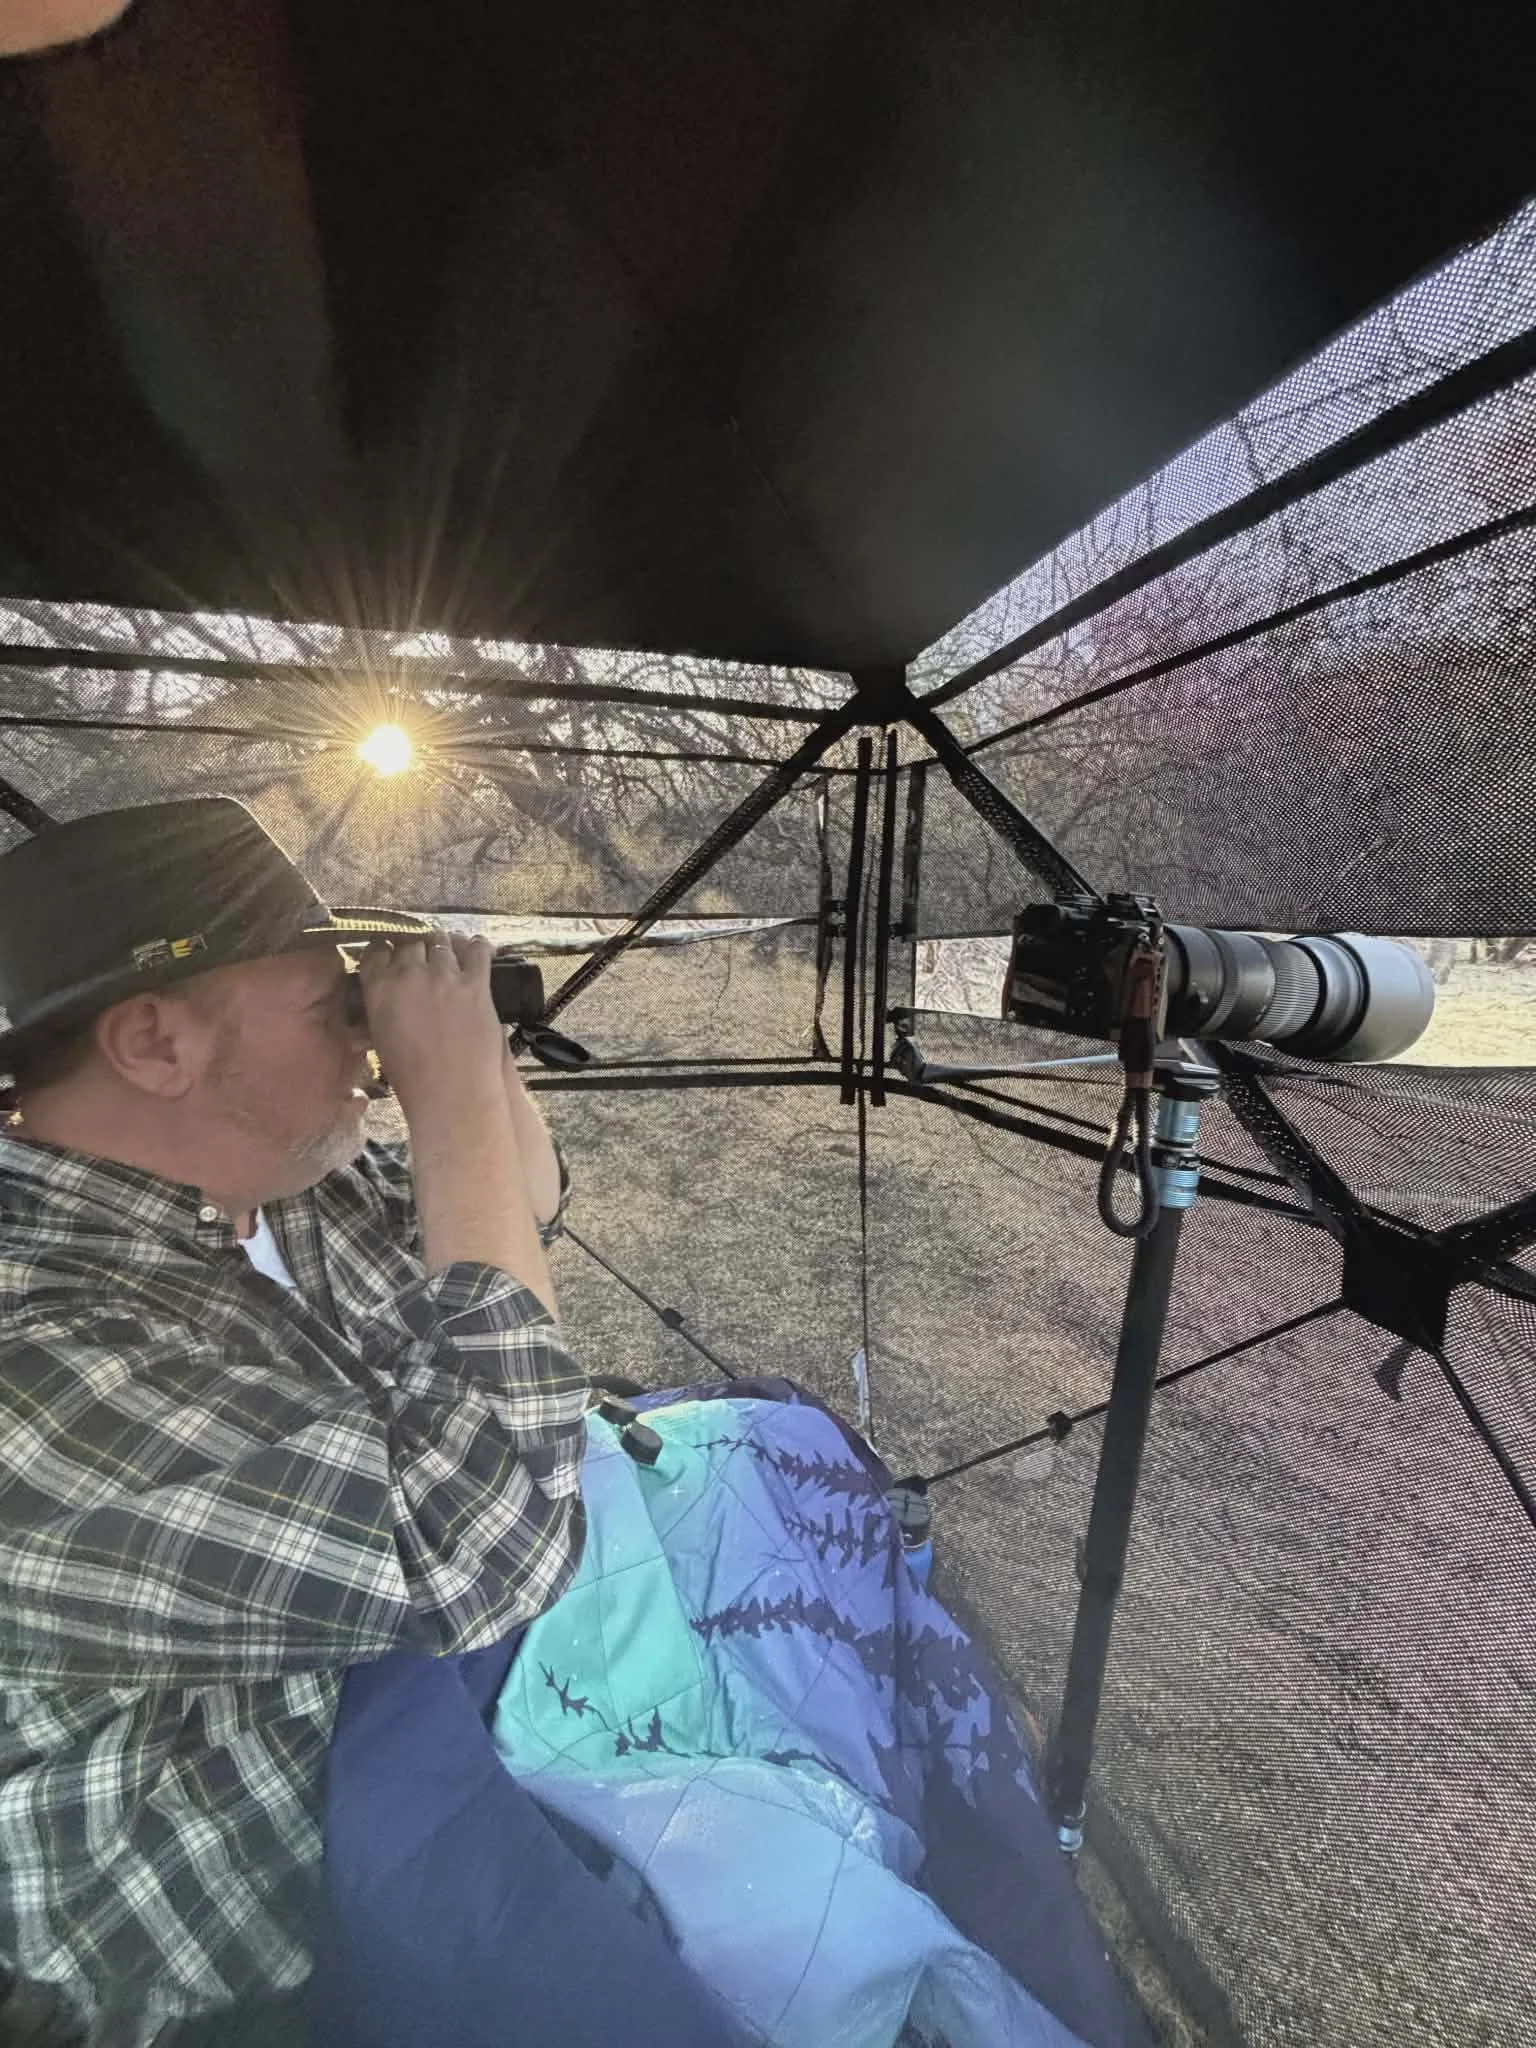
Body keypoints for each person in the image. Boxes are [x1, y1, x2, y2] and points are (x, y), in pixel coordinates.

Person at [0, 798, 590, 2046]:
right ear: (156, 1039)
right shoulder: (31, 1351)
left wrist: (467, 1067)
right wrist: (445, 1095)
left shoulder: (286, 1178)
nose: (367, 1046)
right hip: (212, 1966)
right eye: (335, 1006)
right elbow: (491, 1541)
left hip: (417, 1754)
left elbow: (517, 1198)